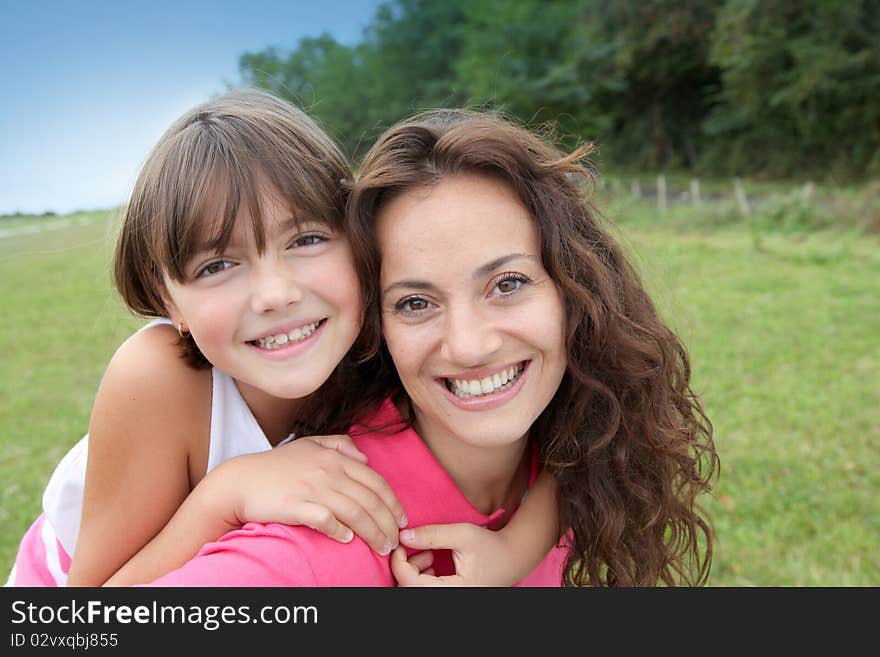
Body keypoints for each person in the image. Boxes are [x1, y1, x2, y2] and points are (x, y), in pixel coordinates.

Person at [6, 91, 561, 588]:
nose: (274, 294)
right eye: (218, 264)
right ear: (168, 297)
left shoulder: (383, 333)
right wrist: (228, 494)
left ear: (360, 242)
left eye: (308, 239)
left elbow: (564, 454)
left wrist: (511, 554)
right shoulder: (159, 378)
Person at [145, 109, 719, 587]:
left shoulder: (569, 438)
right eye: (415, 303)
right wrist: (221, 499)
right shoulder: (316, 544)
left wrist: (516, 551)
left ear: (578, 290)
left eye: (508, 283)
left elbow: (579, 464)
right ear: (377, 325)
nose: (469, 347)